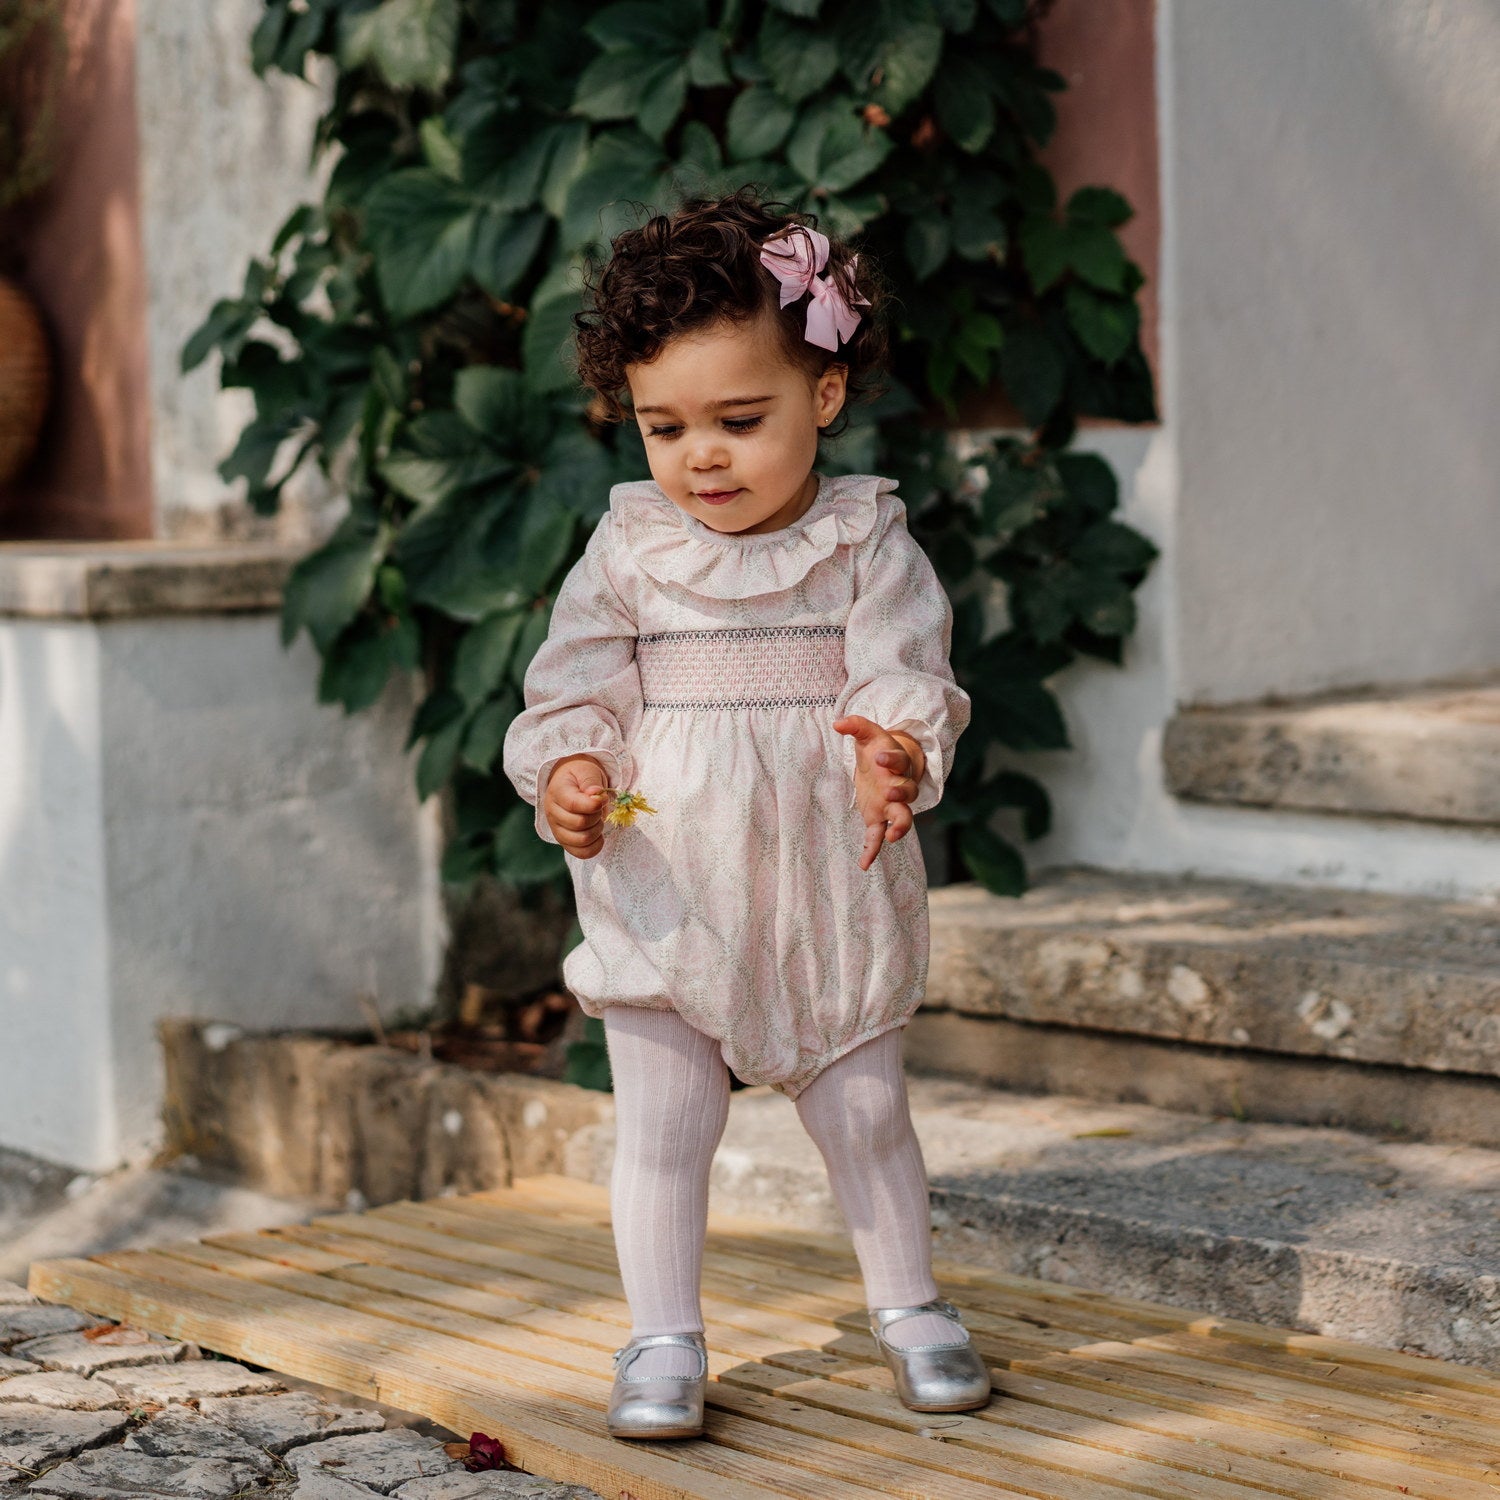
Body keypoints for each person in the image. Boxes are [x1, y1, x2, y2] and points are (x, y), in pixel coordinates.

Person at [501, 186, 991, 1440]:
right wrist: (570, 770)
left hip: (827, 862)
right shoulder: (628, 551)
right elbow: (577, 685)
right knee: (665, 1125)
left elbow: (905, 672)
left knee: (866, 1110)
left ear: (824, 395)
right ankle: (661, 1335)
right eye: (664, 427)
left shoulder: (865, 541)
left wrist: (892, 750)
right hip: (666, 863)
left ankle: (909, 1304)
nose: (700, 456)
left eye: (738, 418)